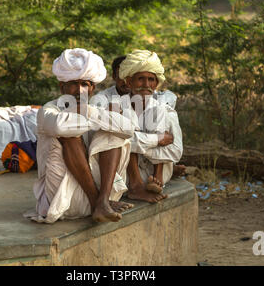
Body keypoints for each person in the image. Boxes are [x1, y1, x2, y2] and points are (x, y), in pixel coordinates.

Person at [24, 48, 136, 224]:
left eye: (85, 84)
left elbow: (129, 129)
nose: (79, 90)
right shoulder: (48, 110)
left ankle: (102, 201)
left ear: (92, 88)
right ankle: (96, 203)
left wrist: (88, 112)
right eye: (73, 84)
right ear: (62, 87)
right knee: (69, 132)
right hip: (63, 199)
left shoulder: (94, 109)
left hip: (103, 193)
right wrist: (92, 117)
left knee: (114, 133)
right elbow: (60, 126)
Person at [119, 50, 184, 203]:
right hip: (126, 175)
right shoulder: (118, 107)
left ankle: (157, 176)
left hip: (157, 175)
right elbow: (119, 143)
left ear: (156, 83)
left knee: (158, 112)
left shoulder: (165, 110)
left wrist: (138, 144)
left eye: (151, 80)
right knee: (126, 121)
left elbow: (175, 152)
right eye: (140, 79)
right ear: (129, 82)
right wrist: (157, 140)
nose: (146, 85)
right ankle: (136, 186)